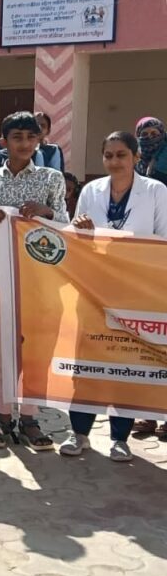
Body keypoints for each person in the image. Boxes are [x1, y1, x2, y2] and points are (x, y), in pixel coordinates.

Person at [61, 131, 167, 461]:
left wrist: (121, 248)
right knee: (87, 360)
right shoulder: (91, 191)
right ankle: (79, 433)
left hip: (135, 290)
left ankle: (120, 438)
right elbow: (75, 240)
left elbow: (162, 241)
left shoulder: (156, 191)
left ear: (136, 157)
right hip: (93, 290)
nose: (114, 161)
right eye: (108, 155)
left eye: (121, 155)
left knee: (124, 362)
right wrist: (81, 231)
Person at [0, 112, 68, 450]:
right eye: (17, 137)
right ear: (4, 141)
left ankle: (29, 417)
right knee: (1, 345)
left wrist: (47, 211)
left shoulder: (51, 178)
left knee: (35, 347)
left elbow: (65, 224)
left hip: (37, 275)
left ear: (39, 140)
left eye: (31, 137)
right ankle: (2, 416)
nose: (25, 143)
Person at [136, 117, 167, 187]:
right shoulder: (135, 160)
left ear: (162, 134)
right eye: (144, 134)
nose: (149, 137)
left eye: (154, 133)